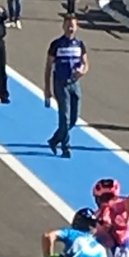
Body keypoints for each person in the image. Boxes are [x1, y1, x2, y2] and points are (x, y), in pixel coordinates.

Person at [44, 14, 88, 158]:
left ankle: (55, 139)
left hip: (74, 83)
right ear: (63, 26)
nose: (70, 28)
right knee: (65, 117)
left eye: (73, 26)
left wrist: (82, 72)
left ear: (77, 27)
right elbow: (48, 67)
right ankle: (66, 147)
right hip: (60, 83)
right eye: (68, 25)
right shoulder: (56, 45)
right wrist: (47, 89)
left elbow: (86, 64)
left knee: (74, 118)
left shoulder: (80, 45)